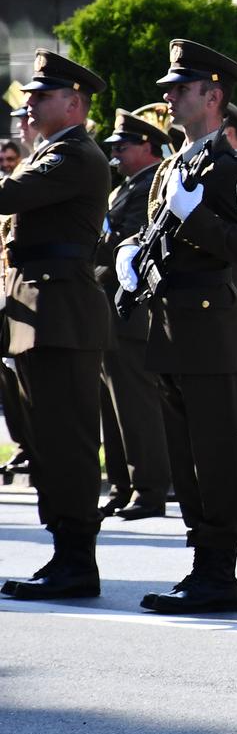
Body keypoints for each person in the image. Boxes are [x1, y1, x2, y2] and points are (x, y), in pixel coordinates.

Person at [115, 40, 237, 616]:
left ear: (214, 95)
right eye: (169, 89)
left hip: (211, 332)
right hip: (170, 330)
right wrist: (133, 252)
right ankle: (201, 566)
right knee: (187, 462)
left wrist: (194, 217)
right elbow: (162, 240)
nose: (169, 98)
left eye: (181, 88)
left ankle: (220, 574)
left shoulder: (228, 169)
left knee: (217, 459)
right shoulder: (176, 165)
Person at [0, 51, 114, 601]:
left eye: (40, 95)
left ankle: (76, 561)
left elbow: (8, 197)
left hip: (61, 314)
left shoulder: (75, 154)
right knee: (45, 441)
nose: (29, 103)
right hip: (39, 314)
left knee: (66, 442)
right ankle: (64, 552)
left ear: (73, 104)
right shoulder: (51, 152)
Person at [96, 105, 173, 520]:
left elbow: (129, 246)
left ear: (147, 145)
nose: (116, 155)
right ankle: (123, 485)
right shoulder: (126, 186)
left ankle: (148, 489)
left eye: (123, 147)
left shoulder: (151, 186)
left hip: (131, 313)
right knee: (113, 405)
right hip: (110, 310)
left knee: (136, 405)